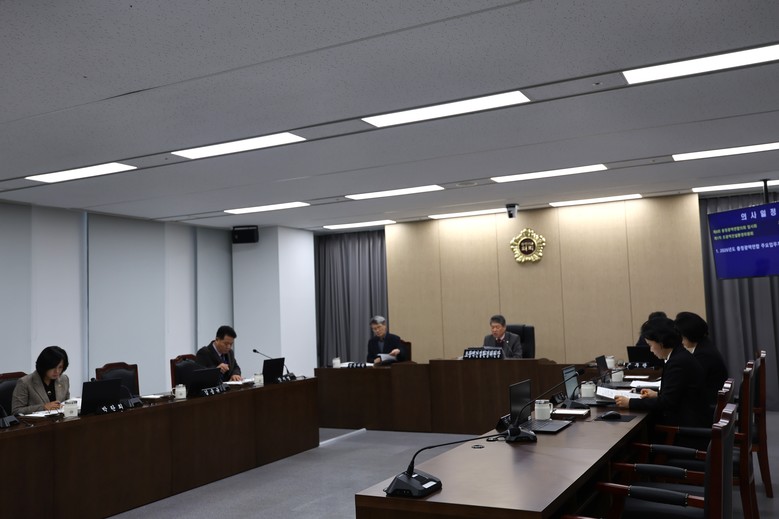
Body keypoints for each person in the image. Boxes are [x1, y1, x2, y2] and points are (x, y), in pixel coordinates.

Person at [615, 317, 710, 428]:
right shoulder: (680, 355)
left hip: (685, 428)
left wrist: (630, 403)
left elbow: (666, 403)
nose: (651, 350)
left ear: (661, 342)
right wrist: (656, 394)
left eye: (650, 345)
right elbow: (677, 394)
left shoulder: (677, 362)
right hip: (689, 419)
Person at [674, 311, 728, 411]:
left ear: (689, 334)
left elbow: (690, 383)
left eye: (682, 336)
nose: (681, 340)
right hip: (711, 400)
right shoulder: (705, 346)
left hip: (708, 406)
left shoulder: (704, 354)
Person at [12, 345, 71, 414]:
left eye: (60, 367)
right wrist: (43, 407)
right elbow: (16, 411)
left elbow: (66, 404)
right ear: (44, 365)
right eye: (53, 367)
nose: (57, 371)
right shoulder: (25, 382)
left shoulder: (64, 379)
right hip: (37, 421)